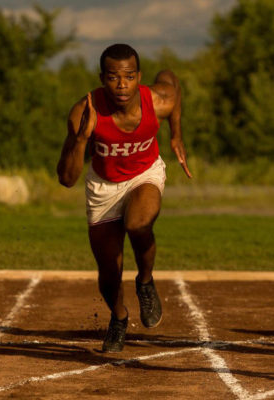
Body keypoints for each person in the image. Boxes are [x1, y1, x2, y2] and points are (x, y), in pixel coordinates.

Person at [57, 44, 192, 352]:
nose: (122, 85)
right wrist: (81, 140)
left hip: (145, 174)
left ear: (138, 77)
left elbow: (170, 79)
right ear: (103, 78)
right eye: (114, 77)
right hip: (103, 186)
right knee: (109, 270)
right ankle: (119, 318)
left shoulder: (157, 101)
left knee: (138, 223)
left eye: (129, 77)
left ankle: (145, 281)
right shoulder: (83, 111)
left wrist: (176, 134)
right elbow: (66, 179)